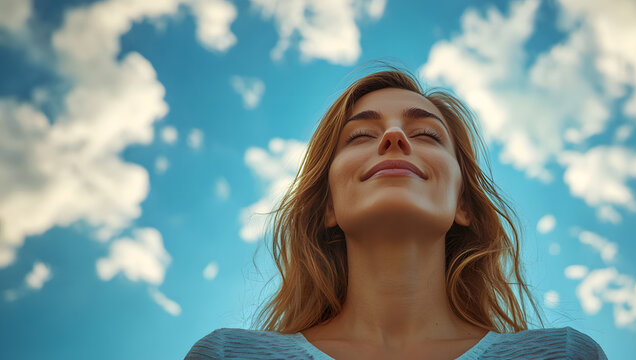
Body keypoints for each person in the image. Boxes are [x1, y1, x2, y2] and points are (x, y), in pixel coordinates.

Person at [185, 67, 608, 359]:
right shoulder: (228, 356)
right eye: (360, 135)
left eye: (425, 133)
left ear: (463, 204)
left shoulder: (565, 355)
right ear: (328, 205)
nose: (392, 137)